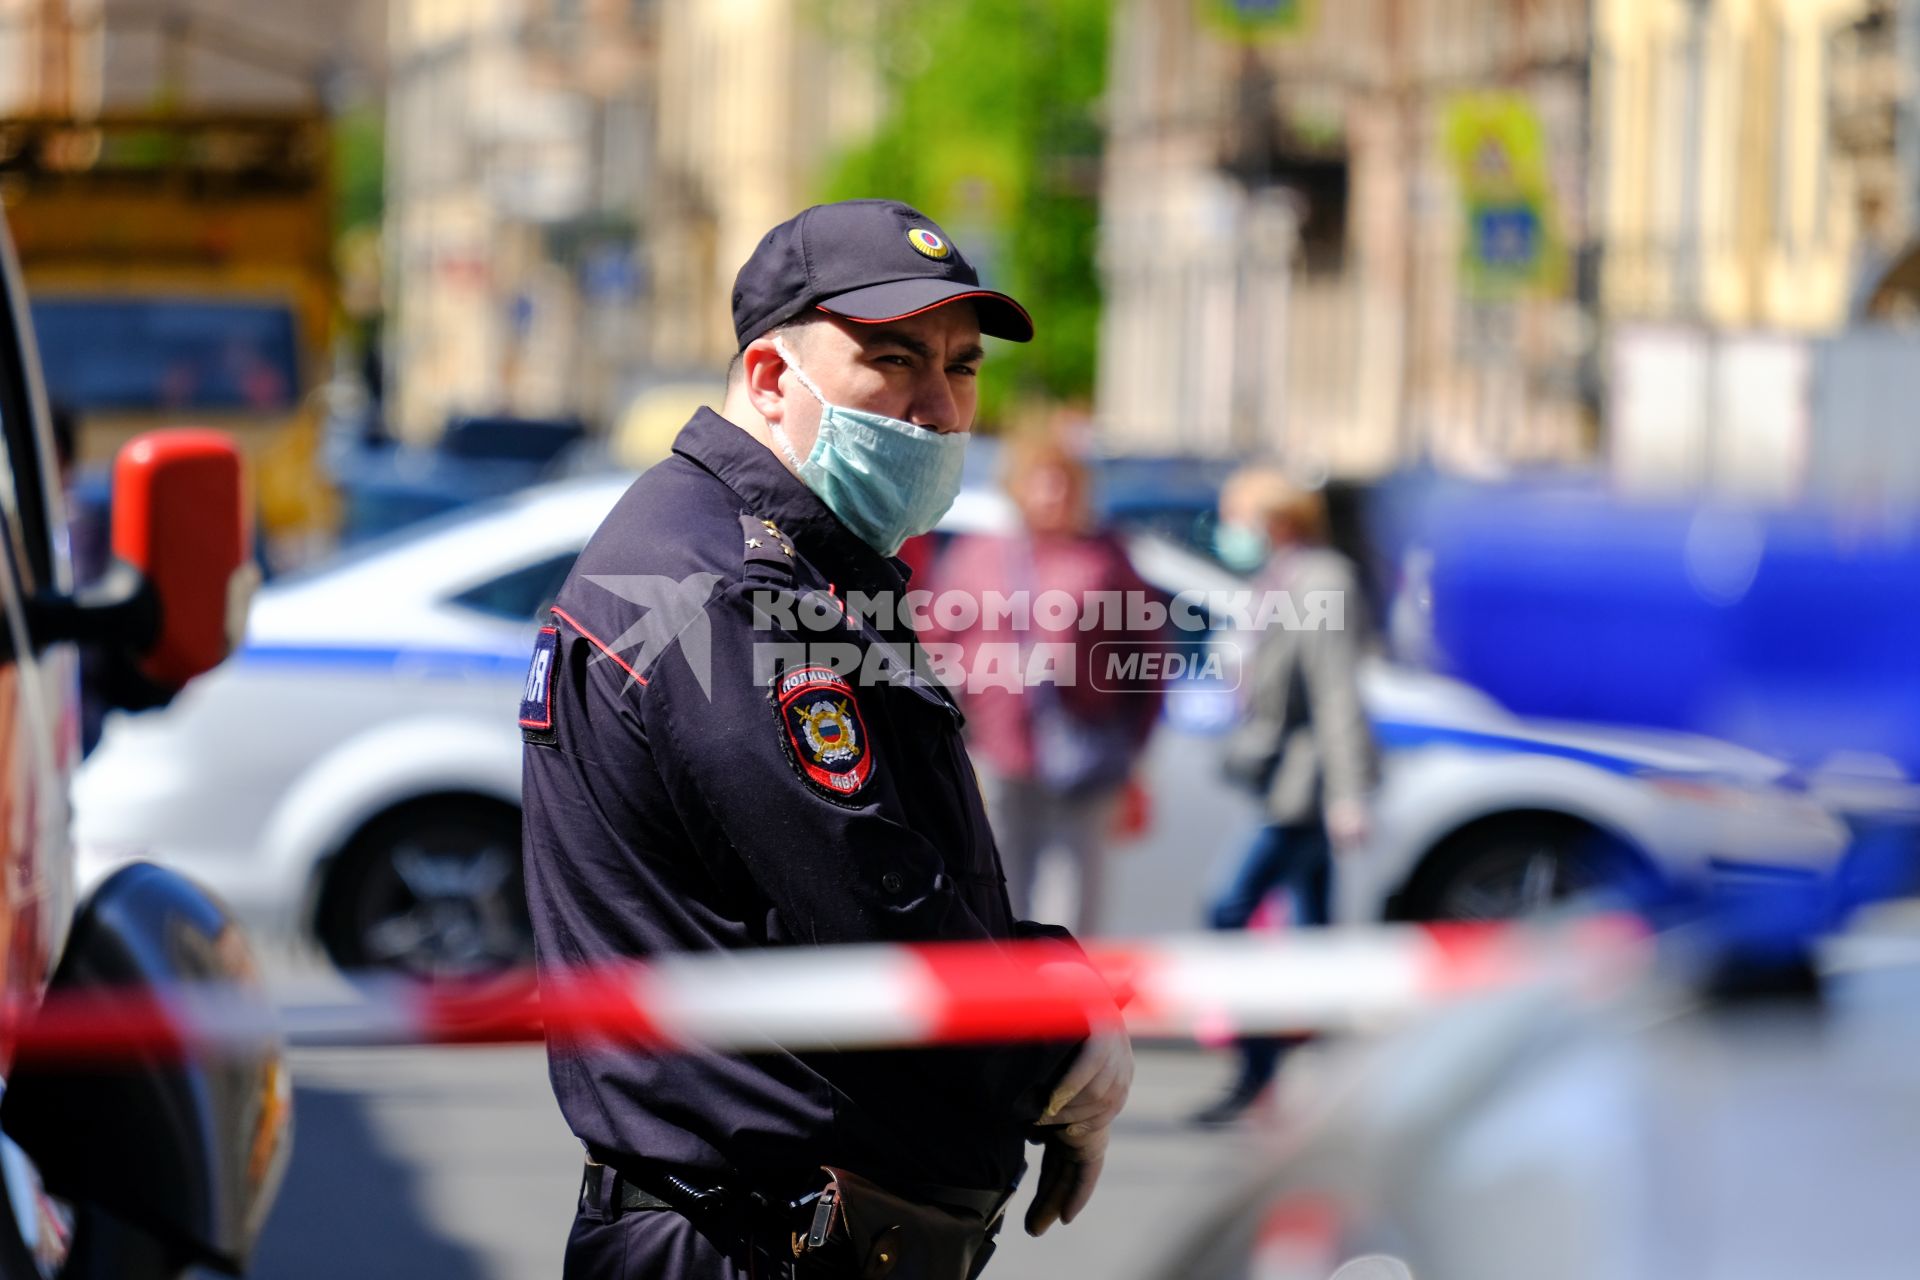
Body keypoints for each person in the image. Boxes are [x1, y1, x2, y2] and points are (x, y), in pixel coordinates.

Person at [521, 199, 1132, 1280]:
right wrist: (1064, 1038)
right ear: (769, 380)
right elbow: (869, 906)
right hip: (752, 1241)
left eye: (962, 366)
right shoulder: (727, 588)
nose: (941, 408)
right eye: (893, 360)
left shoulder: (800, 563)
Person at [1190, 466, 1378, 1126]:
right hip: (1283, 779)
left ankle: (1260, 1067)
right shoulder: (1279, 579)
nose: (1230, 531)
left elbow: (1336, 692)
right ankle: (1315, 1079)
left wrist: (1349, 794)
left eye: (1237, 516)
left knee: (1226, 908)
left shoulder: (1322, 580)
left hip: (1306, 789)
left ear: (1277, 520)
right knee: (1313, 930)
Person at [927, 436, 1163, 935]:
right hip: (996, 750)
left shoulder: (1106, 557)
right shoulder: (980, 554)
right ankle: (1009, 1006)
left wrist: (1136, 751)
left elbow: (1147, 657)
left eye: (1064, 482)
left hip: (1084, 753)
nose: (1052, 493)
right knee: (996, 885)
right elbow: (933, 643)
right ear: (1017, 488)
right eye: (1042, 480)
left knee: (1073, 895)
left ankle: (1064, 1004)